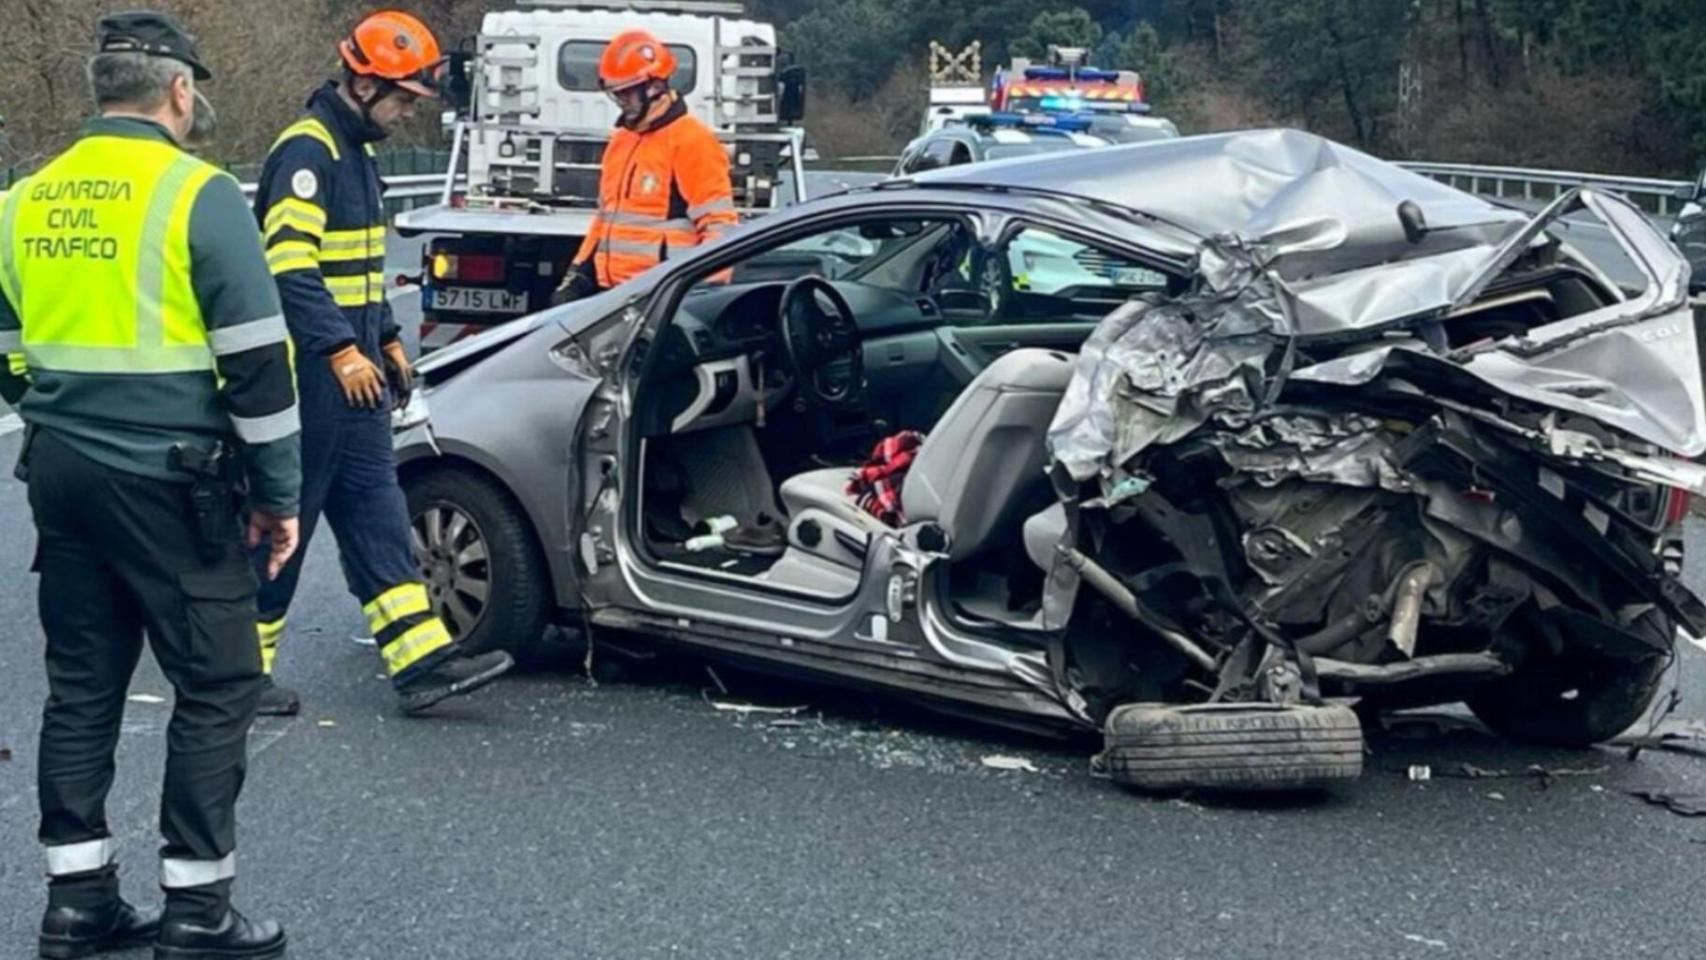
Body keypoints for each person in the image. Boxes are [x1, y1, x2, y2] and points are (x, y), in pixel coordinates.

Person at [0, 11, 297, 958]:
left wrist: (60, 408)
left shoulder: (24, 198)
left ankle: (77, 901)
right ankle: (198, 911)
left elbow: (8, 352)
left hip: (60, 469)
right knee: (219, 680)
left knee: (83, 682)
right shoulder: (200, 193)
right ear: (177, 90)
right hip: (172, 476)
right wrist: (279, 492)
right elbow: (256, 363)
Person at [251, 9, 513, 717]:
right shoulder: (309, 153)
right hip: (314, 374)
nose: (405, 113)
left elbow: (362, 274)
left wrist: (388, 340)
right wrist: (340, 348)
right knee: (288, 516)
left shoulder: (354, 153)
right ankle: (236, 673)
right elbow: (290, 267)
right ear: (362, 83)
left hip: (355, 371)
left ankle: (419, 660)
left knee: (377, 510)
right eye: (400, 98)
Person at [552, 28, 740, 303]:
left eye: (627, 94)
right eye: (616, 95)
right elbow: (605, 220)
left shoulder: (693, 141)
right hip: (614, 296)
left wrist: (701, 298)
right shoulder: (622, 140)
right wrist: (577, 274)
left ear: (654, 87)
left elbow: (719, 227)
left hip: (661, 298)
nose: (621, 102)